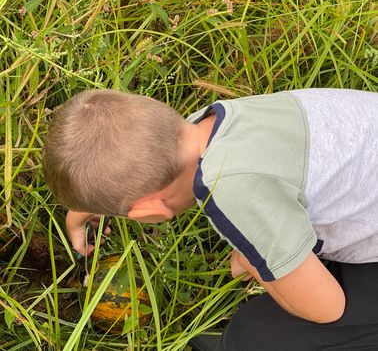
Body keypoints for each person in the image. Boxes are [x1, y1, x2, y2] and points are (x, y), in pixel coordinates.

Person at [42, 88, 378, 350]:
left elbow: (326, 309)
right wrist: (82, 211)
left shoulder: (234, 192)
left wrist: (254, 263)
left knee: (254, 338)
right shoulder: (209, 124)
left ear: (152, 213)